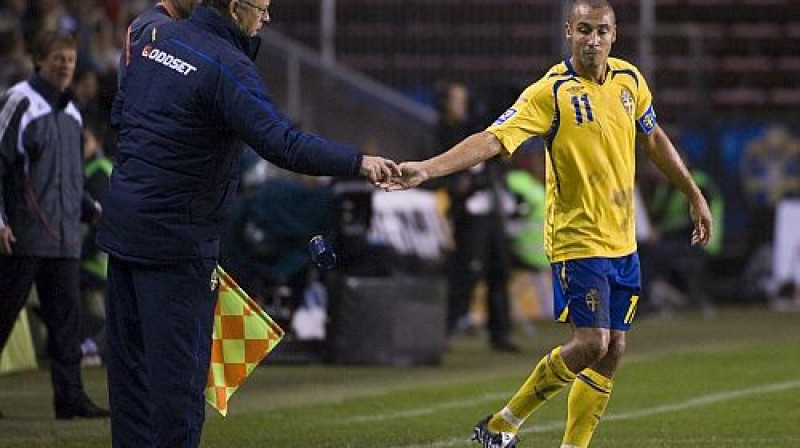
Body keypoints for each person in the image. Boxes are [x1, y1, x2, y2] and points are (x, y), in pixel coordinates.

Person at [386, 1, 713, 447]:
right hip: (577, 239)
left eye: (601, 31)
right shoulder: (550, 92)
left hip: (623, 241)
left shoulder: (629, 81)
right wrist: (428, 169)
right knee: (593, 343)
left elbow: (653, 138)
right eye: (584, 30)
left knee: (613, 350)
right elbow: (492, 139)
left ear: (615, 34)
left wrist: (692, 192)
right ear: (568, 32)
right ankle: (502, 423)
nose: (593, 40)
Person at [97, 0, 399, 446]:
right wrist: (358, 161)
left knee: (130, 387)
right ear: (236, 8)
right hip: (177, 244)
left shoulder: (153, 38)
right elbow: (283, 143)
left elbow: (121, 118)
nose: (268, 18)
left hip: (122, 233)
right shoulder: (225, 65)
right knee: (176, 392)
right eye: (262, 7)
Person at [0, 31, 108, 420]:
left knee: (67, 326)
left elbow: (69, 178)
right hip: (24, 236)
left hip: (64, 240)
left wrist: (91, 209)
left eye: (70, 59)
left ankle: (71, 399)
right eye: (58, 58)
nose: (65, 65)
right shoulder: (19, 101)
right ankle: (71, 397)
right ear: (38, 61)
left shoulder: (73, 111)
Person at [432, 81, 517, 351]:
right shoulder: (440, 134)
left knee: (499, 269)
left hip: (489, 208)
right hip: (467, 213)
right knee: (467, 271)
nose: (463, 105)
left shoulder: (471, 128)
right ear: (444, 103)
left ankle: (500, 332)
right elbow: (435, 171)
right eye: (457, 100)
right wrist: (459, 185)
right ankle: (444, 330)